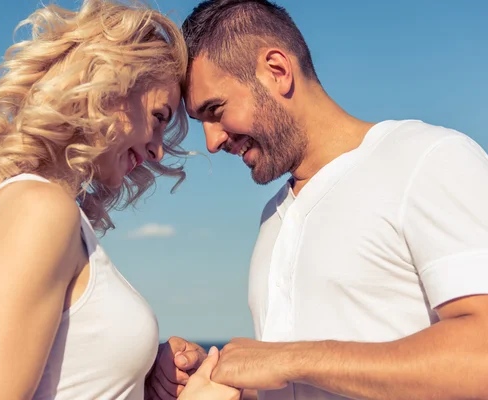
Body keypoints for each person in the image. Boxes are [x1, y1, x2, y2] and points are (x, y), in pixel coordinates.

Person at [149, 0, 488, 399]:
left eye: (216, 110)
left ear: (277, 71)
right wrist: (219, 380)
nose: (212, 140)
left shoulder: (428, 159)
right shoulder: (273, 216)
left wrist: (288, 358)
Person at [0, 0, 239, 399]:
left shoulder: (34, 205)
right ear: (113, 86)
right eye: (159, 117)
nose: (157, 151)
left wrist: (137, 378)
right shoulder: (41, 209)